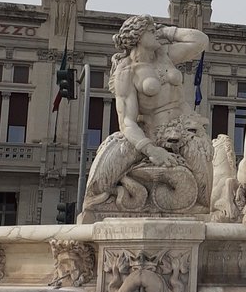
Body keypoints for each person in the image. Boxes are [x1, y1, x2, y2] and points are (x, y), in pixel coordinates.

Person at [82, 15, 210, 214]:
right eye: (151, 31)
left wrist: (167, 31)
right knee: (101, 181)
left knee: (204, 187)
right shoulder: (126, 71)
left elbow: (200, 41)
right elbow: (127, 121)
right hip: (151, 133)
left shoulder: (165, 54)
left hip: (185, 130)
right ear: (138, 37)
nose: (156, 32)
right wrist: (151, 150)